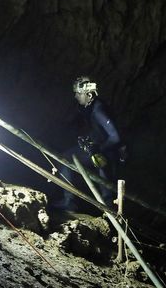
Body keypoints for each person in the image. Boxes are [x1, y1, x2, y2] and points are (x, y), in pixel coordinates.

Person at [51, 76, 125, 212]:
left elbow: (116, 137)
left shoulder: (98, 111)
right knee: (104, 183)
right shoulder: (91, 107)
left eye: (78, 94)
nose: (76, 96)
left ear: (89, 95)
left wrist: (99, 149)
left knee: (68, 159)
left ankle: (70, 202)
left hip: (107, 152)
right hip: (101, 150)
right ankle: (106, 211)